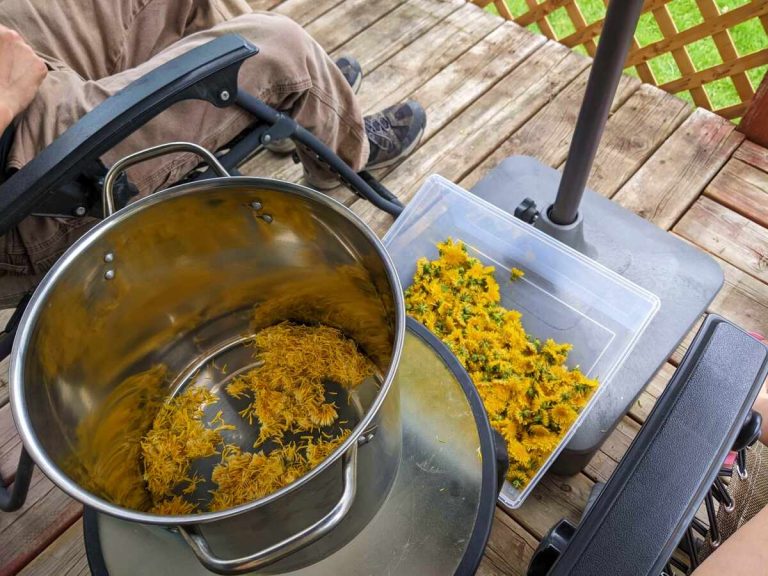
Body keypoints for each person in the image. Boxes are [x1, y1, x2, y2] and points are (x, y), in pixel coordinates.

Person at [0, 0, 426, 307]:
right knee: (281, 46)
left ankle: (264, 105)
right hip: (29, 178)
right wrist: (6, 95)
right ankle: (339, 148)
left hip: (23, 72)